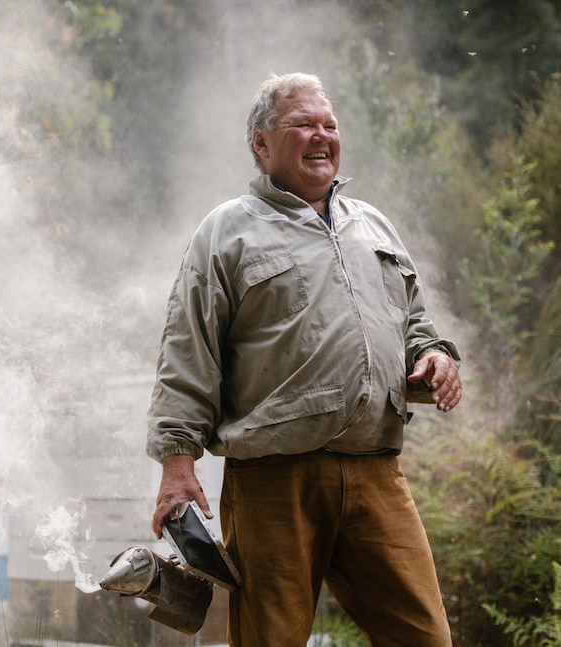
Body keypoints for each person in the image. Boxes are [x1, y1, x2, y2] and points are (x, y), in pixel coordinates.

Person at [146, 72, 462, 646]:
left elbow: (413, 318)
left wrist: (435, 355)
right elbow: (188, 349)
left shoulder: (372, 225)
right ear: (262, 144)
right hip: (273, 481)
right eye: (303, 125)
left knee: (427, 638)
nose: (322, 136)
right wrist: (176, 466)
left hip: (376, 473)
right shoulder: (227, 231)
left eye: (330, 125)